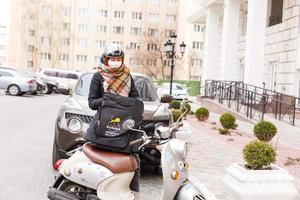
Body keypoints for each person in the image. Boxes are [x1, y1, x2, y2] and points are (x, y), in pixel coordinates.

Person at [85, 43, 141, 192]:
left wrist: (126, 106)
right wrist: (108, 101)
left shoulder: (128, 76)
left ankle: (133, 193)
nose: (115, 61)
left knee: (133, 161)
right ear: (105, 59)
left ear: (122, 59)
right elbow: (91, 102)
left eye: (118, 58)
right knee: (93, 158)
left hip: (123, 127)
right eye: (112, 58)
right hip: (103, 125)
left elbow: (135, 100)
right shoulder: (98, 77)